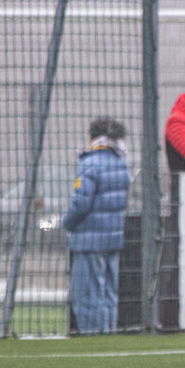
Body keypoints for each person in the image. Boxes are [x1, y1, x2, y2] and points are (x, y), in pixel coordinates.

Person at [62, 117, 130, 334]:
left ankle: (92, 335)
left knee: (87, 294)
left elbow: (80, 203)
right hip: (113, 237)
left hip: (88, 240)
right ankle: (108, 333)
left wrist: (67, 223)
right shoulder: (122, 164)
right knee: (109, 293)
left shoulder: (89, 163)